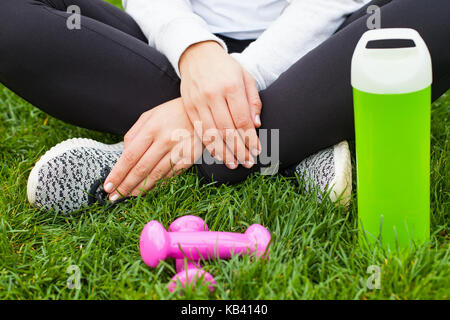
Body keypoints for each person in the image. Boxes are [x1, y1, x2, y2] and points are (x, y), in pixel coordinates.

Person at [0, 0, 448, 213]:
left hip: (321, 47)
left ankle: (158, 148)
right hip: (169, 56)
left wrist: (243, 76)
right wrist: (195, 51)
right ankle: (301, 133)